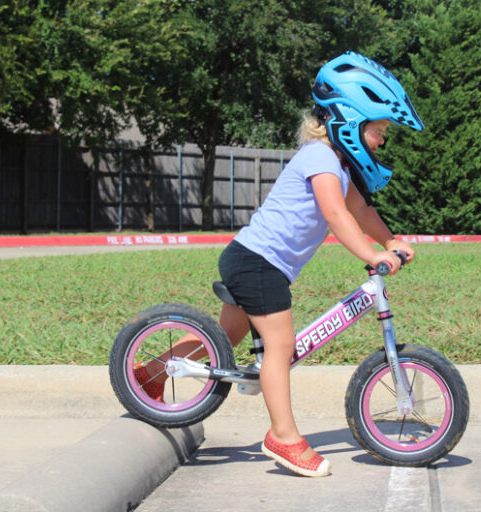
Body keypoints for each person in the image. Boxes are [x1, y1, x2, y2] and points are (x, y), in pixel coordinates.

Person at [135, 51, 424, 477]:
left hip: (254, 260)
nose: (382, 140)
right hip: (258, 262)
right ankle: (283, 437)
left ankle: (149, 375)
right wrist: (372, 254)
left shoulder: (338, 166)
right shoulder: (320, 158)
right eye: (379, 131)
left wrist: (390, 239)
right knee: (280, 346)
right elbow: (336, 216)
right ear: (349, 121)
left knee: (223, 340)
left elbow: (360, 211)